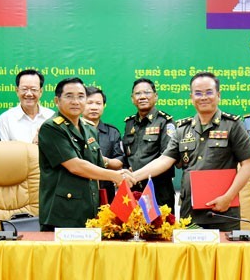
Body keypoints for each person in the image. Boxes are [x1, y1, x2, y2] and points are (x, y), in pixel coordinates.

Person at [132, 72, 250, 231]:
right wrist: (133, 177)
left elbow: (248, 165)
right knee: (190, 256)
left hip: (223, 212)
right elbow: (164, 160)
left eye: (209, 92)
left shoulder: (232, 125)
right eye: (198, 93)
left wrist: (228, 197)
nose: (203, 97)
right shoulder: (182, 129)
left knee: (224, 256)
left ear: (218, 95)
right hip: (189, 212)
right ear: (191, 97)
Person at [38, 77, 135, 230]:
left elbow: (95, 162)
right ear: (57, 101)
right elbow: (76, 166)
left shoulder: (89, 128)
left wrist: (121, 172)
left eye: (81, 96)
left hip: (89, 210)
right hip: (62, 214)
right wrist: (113, 176)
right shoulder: (51, 128)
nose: (76, 101)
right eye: (69, 96)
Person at [122, 78, 176, 209]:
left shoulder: (165, 122)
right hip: (133, 190)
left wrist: (134, 175)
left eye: (147, 92)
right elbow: (127, 155)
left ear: (155, 96)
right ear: (132, 98)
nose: (142, 97)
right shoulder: (129, 124)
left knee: (158, 229)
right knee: (130, 228)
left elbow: (167, 157)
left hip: (157, 190)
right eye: (138, 93)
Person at [83, 85, 124, 203]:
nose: (94, 107)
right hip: (80, 191)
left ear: (103, 106)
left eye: (98, 103)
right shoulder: (72, 130)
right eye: (89, 103)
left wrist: (102, 160)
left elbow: (119, 161)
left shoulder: (112, 132)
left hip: (106, 191)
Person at [0, 69, 54, 143]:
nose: (29, 94)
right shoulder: (5, 120)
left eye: (34, 89)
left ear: (40, 92)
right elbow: (2, 152)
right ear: (17, 91)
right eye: (24, 89)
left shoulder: (52, 117)